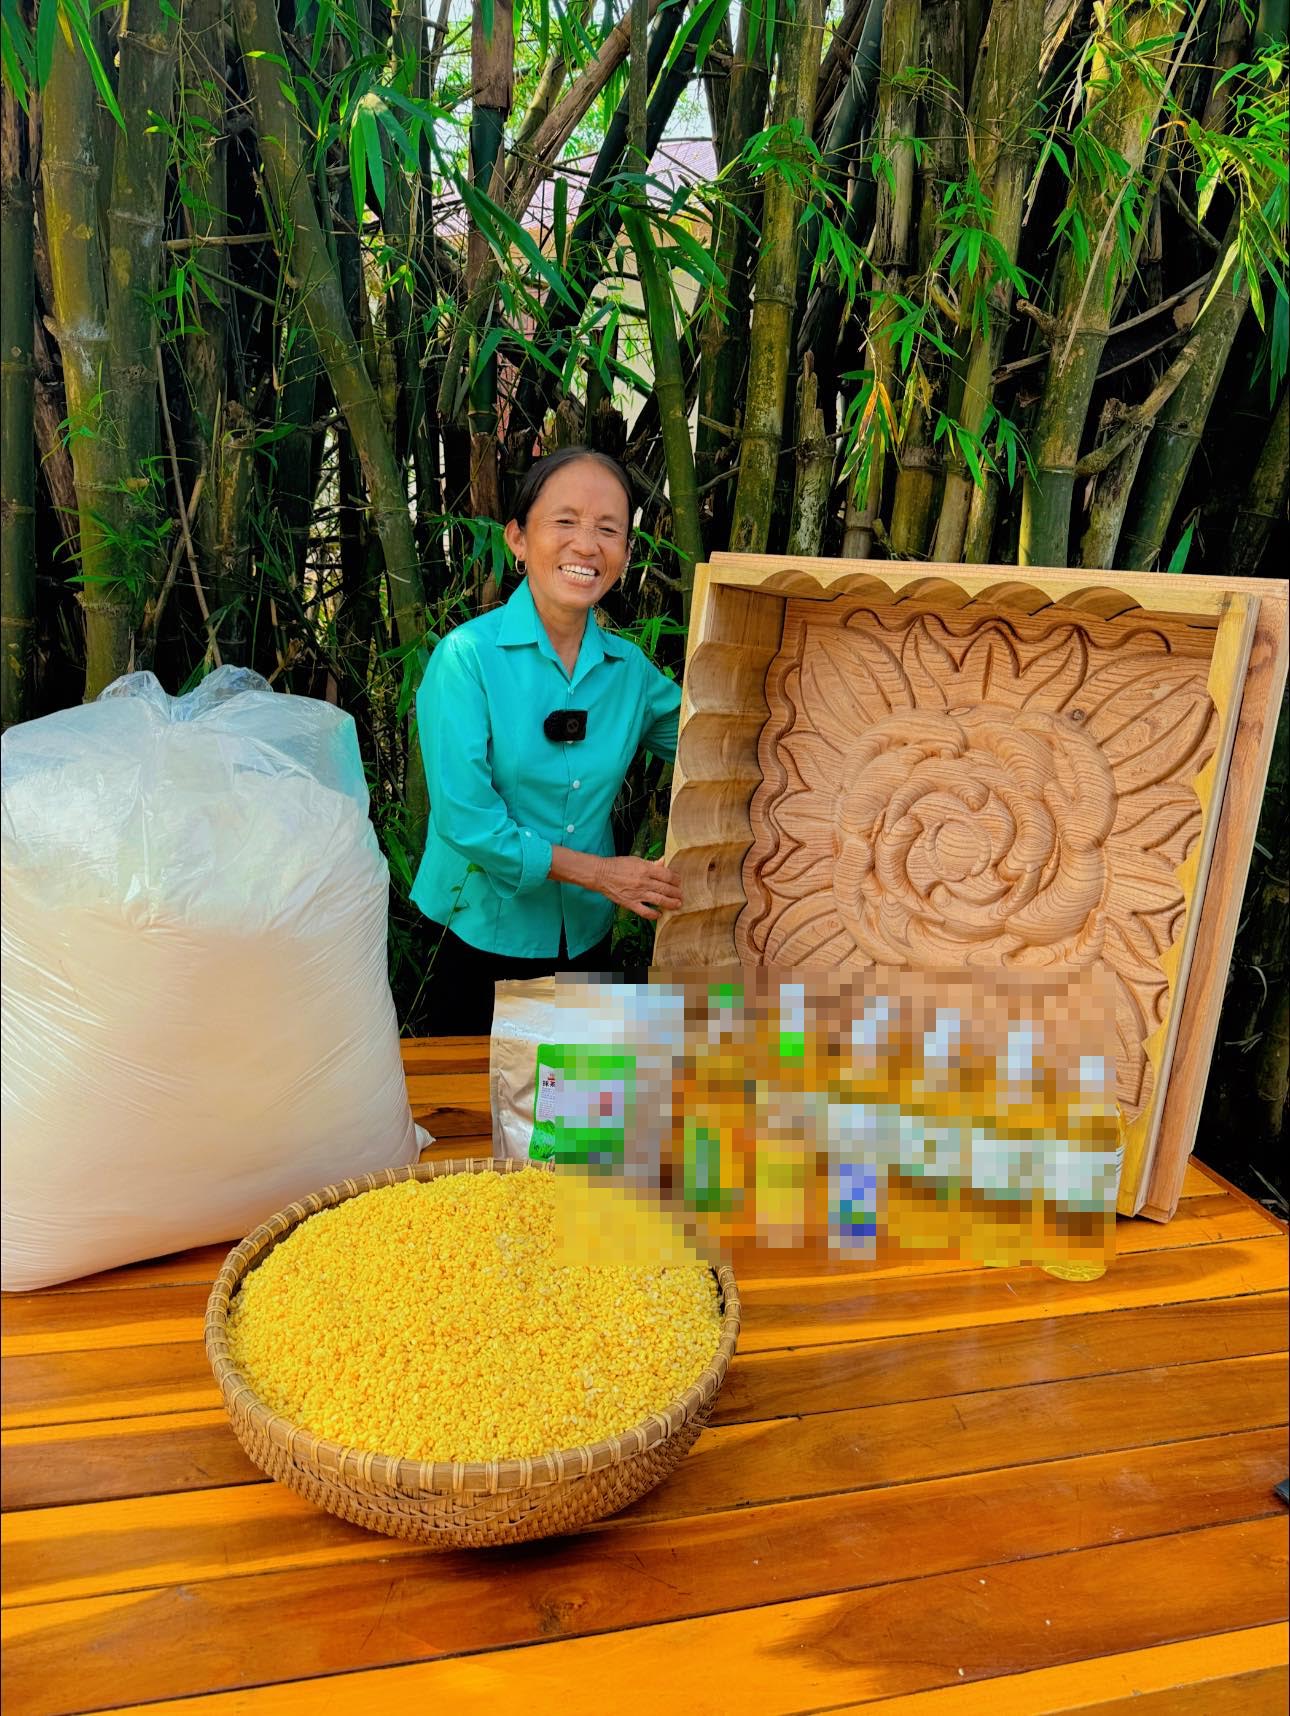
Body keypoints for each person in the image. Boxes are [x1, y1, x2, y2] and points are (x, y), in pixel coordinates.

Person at [411, 446, 685, 1034]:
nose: (586, 545)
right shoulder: (466, 660)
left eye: (608, 529)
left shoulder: (630, 674)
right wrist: (603, 875)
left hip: (584, 935)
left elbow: (713, 740)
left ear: (626, 553)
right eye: (565, 521)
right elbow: (468, 822)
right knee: (484, 1092)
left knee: (580, 1089)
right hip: (481, 937)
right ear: (517, 538)